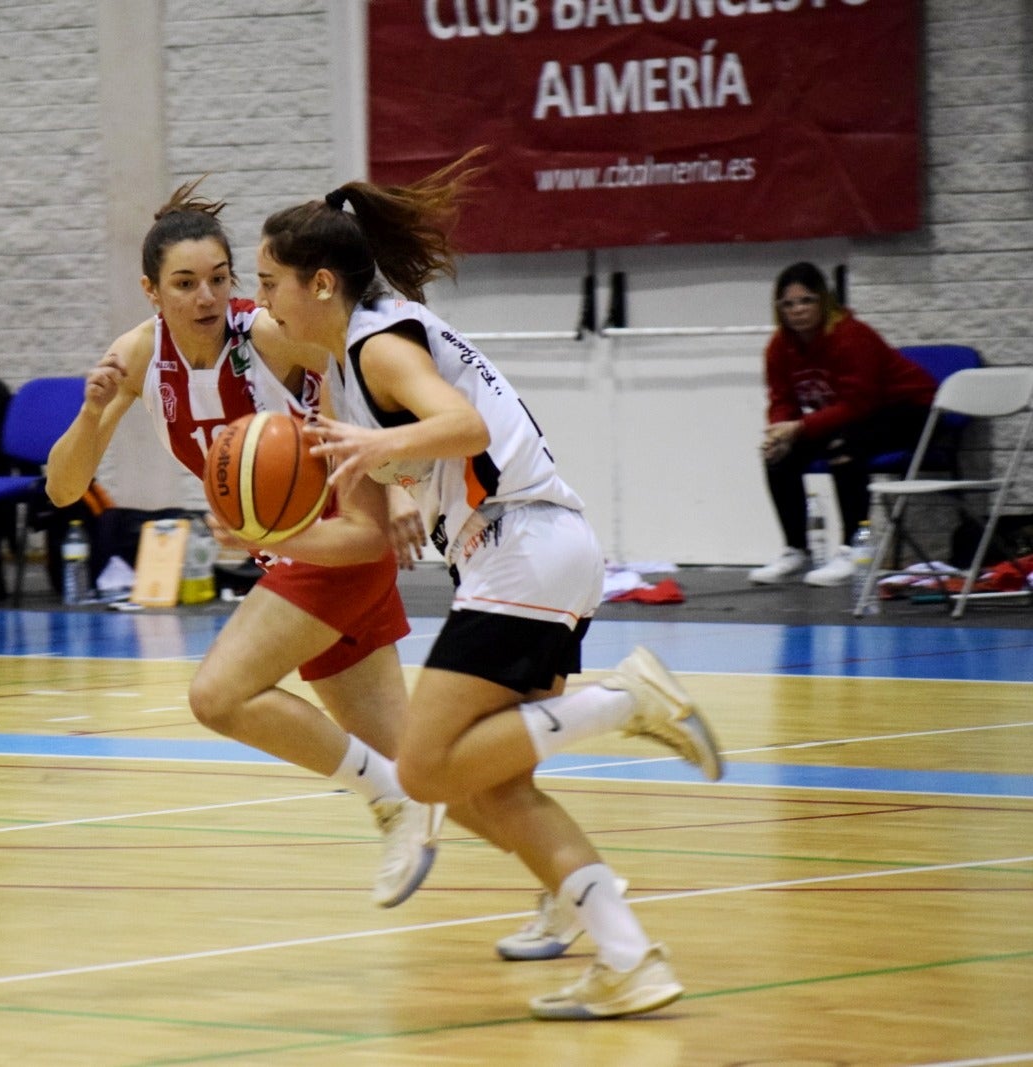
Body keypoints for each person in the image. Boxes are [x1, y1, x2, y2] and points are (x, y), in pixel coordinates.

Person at [251, 154, 725, 1020]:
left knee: (425, 769)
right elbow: (379, 511)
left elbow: (461, 424)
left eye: (268, 282)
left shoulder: (378, 343)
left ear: (320, 283)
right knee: (500, 788)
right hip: (533, 554)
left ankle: (620, 698)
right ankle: (630, 960)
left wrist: (381, 452)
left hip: (519, 549)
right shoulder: (359, 353)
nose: (263, 303)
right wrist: (270, 526)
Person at [45, 182, 447, 909]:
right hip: (302, 560)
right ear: (150, 290)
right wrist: (91, 412)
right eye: (185, 283)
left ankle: (388, 801)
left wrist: (394, 487)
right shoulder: (137, 357)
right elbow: (63, 489)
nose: (205, 296)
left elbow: (365, 377)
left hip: (330, 544)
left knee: (217, 695)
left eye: (219, 278)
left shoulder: (268, 334)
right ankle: (576, 873)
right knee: (424, 763)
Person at [750, 262, 936, 586]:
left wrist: (800, 427)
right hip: (856, 417)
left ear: (824, 301)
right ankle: (796, 549)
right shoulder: (780, 347)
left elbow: (859, 403)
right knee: (778, 456)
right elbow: (782, 399)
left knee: (845, 446)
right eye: (788, 304)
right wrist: (780, 431)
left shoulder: (851, 336)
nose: (798, 310)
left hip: (911, 410)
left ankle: (855, 548)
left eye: (807, 300)